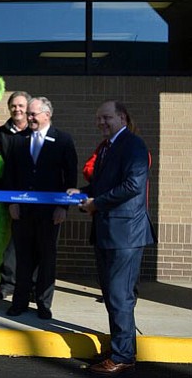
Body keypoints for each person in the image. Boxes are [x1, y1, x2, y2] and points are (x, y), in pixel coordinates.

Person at [68, 100, 156, 375]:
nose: (101, 123)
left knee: (120, 296)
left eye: (106, 117)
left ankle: (122, 356)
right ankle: (121, 347)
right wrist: (81, 193)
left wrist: (96, 203)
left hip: (126, 235)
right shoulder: (108, 147)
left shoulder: (133, 145)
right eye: (98, 119)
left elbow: (132, 186)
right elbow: (102, 186)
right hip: (108, 232)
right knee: (111, 295)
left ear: (122, 117)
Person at [4, 96, 77, 320]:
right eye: (29, 114)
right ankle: (20, 301)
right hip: (23, 212)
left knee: (47, 257)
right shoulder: (20, 140)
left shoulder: (63, 140)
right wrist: (12, 202)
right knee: (23, 258)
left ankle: (44, 303)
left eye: (34, 114)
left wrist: (63, 207)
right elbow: (10, 175)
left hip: (50, 213)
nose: (30, 117)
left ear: (47, 114)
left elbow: (70, 177)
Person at [0, 91, 31, 299]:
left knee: (32, 244)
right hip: (5, 198)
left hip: (33, 199)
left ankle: (31, 287)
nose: (17, 109)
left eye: (21, 106)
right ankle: (7, 285)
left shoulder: (36, 133)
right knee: (7, 244)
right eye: (14, 106)